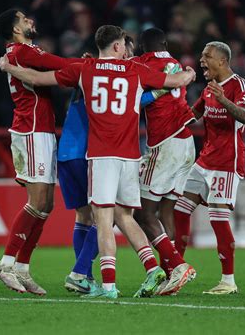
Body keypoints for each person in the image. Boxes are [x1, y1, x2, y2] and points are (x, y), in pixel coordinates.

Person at [0, 25, 196, 299]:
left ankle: (107, 286)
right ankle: (152, 268)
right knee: (125, 217)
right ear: (117, 46)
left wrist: (11, 69)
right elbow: (175, 83)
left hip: (101, 155)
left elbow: (40, 79)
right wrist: (188, 72)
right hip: (130, 155)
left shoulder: (85, 69)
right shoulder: (135, 71)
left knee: (101, 220)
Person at [62, 35, 172, 294]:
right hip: (95, 151)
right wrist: (160, 89)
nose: (128, 56)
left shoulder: (87, 72)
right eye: (127, 50)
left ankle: (84, 275)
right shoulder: (118, 74)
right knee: (110, 215)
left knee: (89, 215)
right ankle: (86, 274)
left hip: (68, 151)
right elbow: (129, 101)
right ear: (117, 48)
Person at [0, 9, 83, 295]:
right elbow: (61, 64)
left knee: (47, 205)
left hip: (41, 130)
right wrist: (96, 65)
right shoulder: (20, 52)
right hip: (30, 130)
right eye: (23, 19)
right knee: (37, 200)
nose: (31, 20)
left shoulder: (24, 52)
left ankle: (22, 268)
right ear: (15, 29)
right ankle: (5, 263)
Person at [173, 41, 245, 295]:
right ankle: (177, 269)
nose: (202, 60)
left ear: (222, 61)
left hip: (227, 163)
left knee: (218, 219)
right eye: (202, 55)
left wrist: (224, 99)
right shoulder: (208, 89)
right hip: (205, 161)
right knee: (180, 209)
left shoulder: (238, 85)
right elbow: (192, 115)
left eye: (207, 56)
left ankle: (228, 281)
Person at [133, 27, 197, 296]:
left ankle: (178, 266)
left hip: (165, 143)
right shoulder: (177, 64)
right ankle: (171, 276)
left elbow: (132, 99)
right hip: (187, 142)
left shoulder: (142, 64)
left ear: (141, 48)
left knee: (142, 213)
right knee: (166, 210)